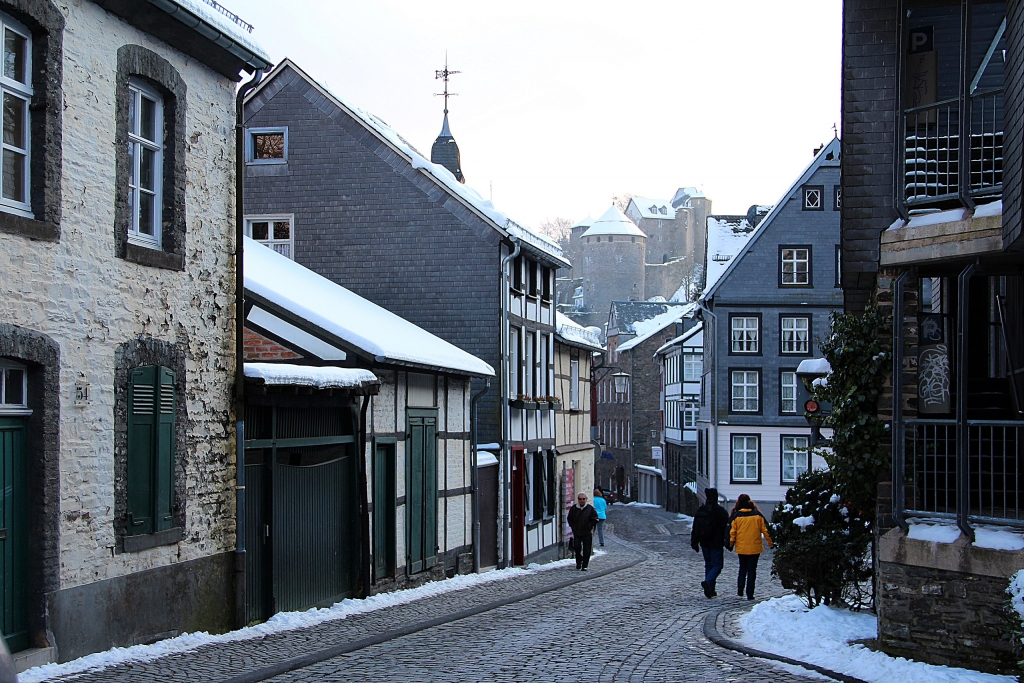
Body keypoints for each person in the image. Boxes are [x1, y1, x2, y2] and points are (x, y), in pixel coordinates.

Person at [728, 493, 774, 600]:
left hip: (742, 547)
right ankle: (750, 593)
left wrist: (730, 544)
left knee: (742, 568)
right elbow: (766, 531)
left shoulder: (736, 516)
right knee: (752, 571)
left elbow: (732, 533)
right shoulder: (757, 515)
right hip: (755, 547)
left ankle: (740, 588)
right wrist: (770, 543)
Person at [690, 487, 730, 598]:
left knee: (708, 564)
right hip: (716, 543)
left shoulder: (701, 510)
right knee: (717, 565)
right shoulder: (721, 512)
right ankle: (708, 582)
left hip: (704, 542)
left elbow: (696, 527)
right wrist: (728, 541)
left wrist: (694, 541)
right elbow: (726, 528)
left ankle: (710, 590)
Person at [567, 492, 599, 570]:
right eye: (580, 499)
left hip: (587, 532)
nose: (582, 500)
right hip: (577, 532)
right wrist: (573, 526)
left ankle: (585, 565)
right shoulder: (574, 508)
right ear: (578, 500)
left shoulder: (590, 509)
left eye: (583, 499)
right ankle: (578, 561)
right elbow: (569, 518)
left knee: (586, 549)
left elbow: (595, 519)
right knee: (577, 548)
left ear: (586, 499)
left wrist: (589, 526)